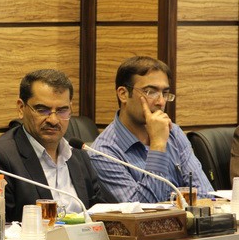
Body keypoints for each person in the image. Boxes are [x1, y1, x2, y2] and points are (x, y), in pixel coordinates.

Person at [0, 69, 113, 222]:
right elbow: (0, 225)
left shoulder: (78, 154)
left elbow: (99, 212)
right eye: (42, 110)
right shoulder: (0, 157)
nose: (53, 120)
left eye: (62, 110)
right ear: (21, 108)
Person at [91, 56, 213, 203]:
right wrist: (158, 145)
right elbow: (141, 210)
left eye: (165, 93)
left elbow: (206, 195)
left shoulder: (173, 132)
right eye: (150, 92)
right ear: (123, 94)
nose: (161, 102)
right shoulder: (104, 152)